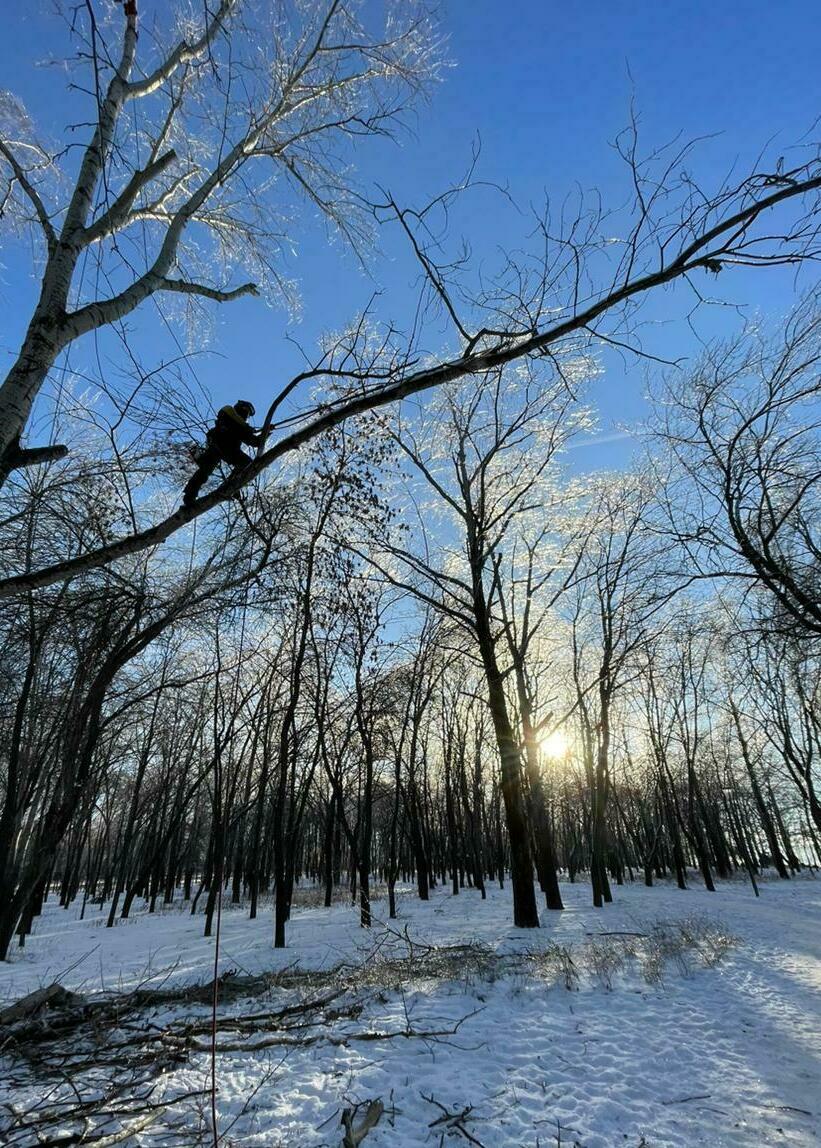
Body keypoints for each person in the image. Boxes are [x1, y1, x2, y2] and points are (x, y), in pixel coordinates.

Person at [182, 399, 262, 507]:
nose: (246, 416)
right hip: (224, 445)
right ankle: (229, 486)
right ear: (241, 408)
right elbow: (247, 435)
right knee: (246, 463)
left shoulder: (238, 424)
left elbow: (253, 440)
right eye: (247, 413)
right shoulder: (230, 414)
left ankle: (190, 495)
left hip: (220, 446)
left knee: (205, 469)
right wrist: (249, 430)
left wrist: (264, 433)